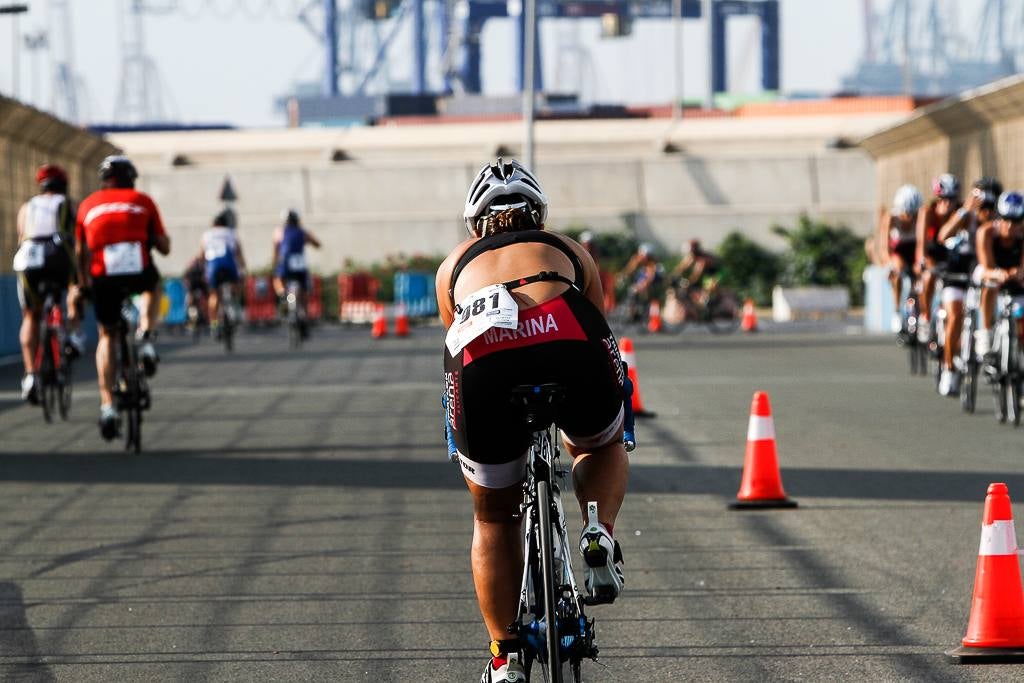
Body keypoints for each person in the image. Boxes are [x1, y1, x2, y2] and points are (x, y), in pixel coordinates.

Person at [435, 159, 628, 682]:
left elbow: (453, 341)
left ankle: (502, 658)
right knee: (601, 443)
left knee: (494, 515)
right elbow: (598, 326)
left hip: (484, 358)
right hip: (568, 331)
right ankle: (598, 531)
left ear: (476, 225)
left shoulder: (452, 266)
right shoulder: (568, 249)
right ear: (538, 215)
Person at [76, 155, 171, 440]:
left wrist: (82, 283)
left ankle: (107, 407)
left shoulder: (87, 205)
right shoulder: (142, 200)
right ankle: (147, 336)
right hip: (137, 270)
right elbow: (164, 246)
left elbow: (80, 252)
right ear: (131, 178)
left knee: (107, 335)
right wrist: (151, 238)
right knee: (152, 286)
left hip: (103, 274)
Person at [12, 164, 85, 403]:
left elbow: (21, 236)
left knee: (30, 316)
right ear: (63, 186)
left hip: (28, 257)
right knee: (76, 287)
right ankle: (73, 334)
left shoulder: (27, 207)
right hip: (57, 255)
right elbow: (79, 239)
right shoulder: (68, 204)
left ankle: (30, 375)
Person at [933, 177, 1001, 395]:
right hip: (957, 271)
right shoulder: (966, 215)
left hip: (981, 270)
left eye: (990, 207)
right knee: (954, 315)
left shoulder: (1000, 222)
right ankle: (949, 368)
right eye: (982, 207)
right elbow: (943, 236)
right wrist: (964, 210)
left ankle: (989, 342)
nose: (986, 212)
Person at [976, 190, 1024, 359]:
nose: (1010, 225)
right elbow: (986, 266)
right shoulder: (986, 232)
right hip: (992, 272)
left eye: (1016, 221)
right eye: (1005, 219)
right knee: (990, 283)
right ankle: (986, 331)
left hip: (1016, 278)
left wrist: (1019, 272)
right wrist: (999, 273)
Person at [915, 174, 962, 342]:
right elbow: (921, 243)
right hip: (932, 253)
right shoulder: (927, 212)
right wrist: (921, 262)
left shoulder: (959, 212)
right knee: (929, 277)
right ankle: (925, 317)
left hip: (952, 256)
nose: (947, 203)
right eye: (943, 199)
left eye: (951, 199)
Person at [879, 184, 923, 333]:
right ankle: (897, 310)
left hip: (915, 249)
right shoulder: (891, 218)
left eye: (913, 214)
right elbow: (884, 247)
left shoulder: (920, 217)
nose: (909, 218)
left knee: (921, 276)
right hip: (898, 251)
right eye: (906, 213)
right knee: (897, 271)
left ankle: (921, 313)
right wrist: (888, 264)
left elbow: (923, 244)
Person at [271, 209, 321, 335]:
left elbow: (276, 250)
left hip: (286, 263)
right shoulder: (302, 232)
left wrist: (275, 264)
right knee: (303, 292)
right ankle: (304, 317)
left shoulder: (280, 232)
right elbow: (317, 244)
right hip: (299, 264)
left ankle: (283, 296)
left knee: (278, 279)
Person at [200, 210, 247, 333]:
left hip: (213, 267)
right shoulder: (231, 233)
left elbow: (202, 255)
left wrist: (203, 271)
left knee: (214, 295)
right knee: (237, 286)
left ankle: (214, 323)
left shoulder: (207, 235)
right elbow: (238, 253)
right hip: (229, 265)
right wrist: (243, 269)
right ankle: (236, 305)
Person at [671, 238, 719, 310]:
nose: (689, 254)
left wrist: (688, 282)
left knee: (709, 286)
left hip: (714, 275)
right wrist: (674, 276)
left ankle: (704, 305)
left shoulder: (702, 260)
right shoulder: (691, 257)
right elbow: (681, 267)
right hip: (705, 277)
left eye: (690, 252)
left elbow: (697, 274)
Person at [619, 242, 662, 322]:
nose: (640, 257)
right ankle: (632, 312)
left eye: (642, 255)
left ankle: (635, 312)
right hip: (640, 289)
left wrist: (641, 286)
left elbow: (650, 279)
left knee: (635, 291)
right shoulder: (642, 267)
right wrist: (633, 263)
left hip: (649, 291)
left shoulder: (654, 267)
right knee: (632, 290)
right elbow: (628, 272)